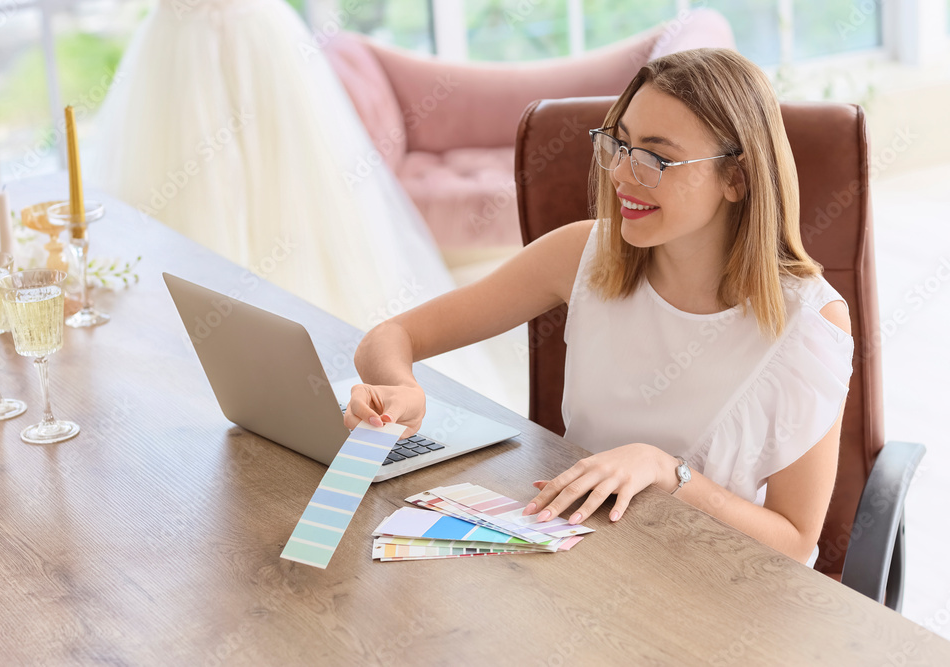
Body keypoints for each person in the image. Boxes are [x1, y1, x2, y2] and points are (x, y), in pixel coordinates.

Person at [343, 48, 854, 567]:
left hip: (711, 583)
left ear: (736, 179)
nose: (622, 175)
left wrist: (665, 471)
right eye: (620, 144)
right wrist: (401, 389)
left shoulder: (809, 323)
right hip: (577, 562)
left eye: (655, 157)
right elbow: (389, 338)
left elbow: (795, 542)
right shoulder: (585, 254)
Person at [85, 0, 511, 406]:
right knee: (180, 196)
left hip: (259, 42)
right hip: (178, 49)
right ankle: (206, 350)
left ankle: (290, 366)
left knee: (291, 200)